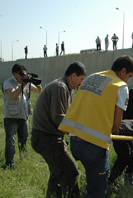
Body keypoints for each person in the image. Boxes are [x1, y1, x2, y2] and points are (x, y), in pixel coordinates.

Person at [58, 55, 133, 197]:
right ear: (123, 71)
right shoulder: (120, 86)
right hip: (93, 145)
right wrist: (108, 129)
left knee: (91, 177)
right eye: (129, 76)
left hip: (75, 141)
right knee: (97, 190)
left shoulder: (92, 78)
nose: (127, 80)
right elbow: (117, 124)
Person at [31, 62, 86, 198]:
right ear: (73, 75)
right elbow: (59, 118)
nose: (81, 83)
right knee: (71, 172)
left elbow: (69, 115)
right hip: (46, 138)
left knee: (57, 174)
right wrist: (78, 132)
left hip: (49, 137)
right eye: (81, 79)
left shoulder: (67, 89)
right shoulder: (59, 87)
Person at [2, 64, 42, 169]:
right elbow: (14, 96)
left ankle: (24, 160)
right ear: (14, 74)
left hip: (23, 115)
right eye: (20, 74)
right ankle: (10, 163)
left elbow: (38, 91)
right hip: (11, 116)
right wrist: (23, 84)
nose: (22, 76)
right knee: (11, 140)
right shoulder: (8, 83)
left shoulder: (26, 83)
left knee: (24, 139)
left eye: (24, 73)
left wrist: (37, 83)